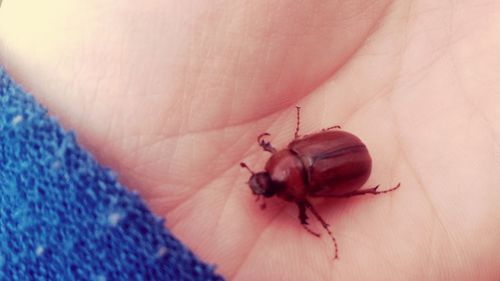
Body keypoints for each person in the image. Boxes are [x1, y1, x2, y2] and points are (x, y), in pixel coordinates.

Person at [1, 1, 499, 280]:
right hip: (325, 153)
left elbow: (309, 183)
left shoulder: (293, 171)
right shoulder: (288, 159)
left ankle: (371, 195)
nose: (262, 184)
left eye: (262, 181)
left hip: (340, 160)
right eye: (267, 182)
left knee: (331, 202)